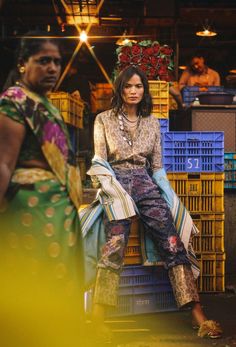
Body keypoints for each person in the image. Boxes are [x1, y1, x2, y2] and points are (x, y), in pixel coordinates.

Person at [88, 65, 222, 340]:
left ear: (144, 90)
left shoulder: (152, 122)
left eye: (138, 86)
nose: (133, 91)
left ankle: (198, 314)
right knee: (115, 244)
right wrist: (112, 191)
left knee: (172, 241)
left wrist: (170, 197)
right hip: (116, 183)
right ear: (120, 89)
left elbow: (157, 167)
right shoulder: (103, 119)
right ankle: (97, 316)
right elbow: (99, 161)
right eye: (128, 86)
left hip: (145, 183)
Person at [0, 31, 85, 347]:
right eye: (43, 61)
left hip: (57, 218)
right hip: (29, 215)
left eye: (57, 62)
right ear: (23, 63)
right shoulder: (13, 103)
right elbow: (4, 164)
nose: (52, 68)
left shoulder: (46, 105)